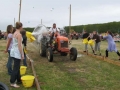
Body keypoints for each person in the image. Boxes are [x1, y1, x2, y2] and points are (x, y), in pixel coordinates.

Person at [10, 22, 24, 88]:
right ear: (20, 27)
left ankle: (18, 79)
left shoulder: (14, 33)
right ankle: (12, 82)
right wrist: (22, 54)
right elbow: (19, 45)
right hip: (16, 52)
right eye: (22, 26)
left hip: (13, 51)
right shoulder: (19, 35)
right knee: (15, 68)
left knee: (17, 66)